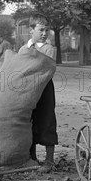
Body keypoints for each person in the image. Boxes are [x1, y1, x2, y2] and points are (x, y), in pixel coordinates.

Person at [18, 13, 58, 172]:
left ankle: (49, 160)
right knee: (29, 121)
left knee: (47, 120)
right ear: (31, 30)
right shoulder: (23, 49)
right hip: (27, 91)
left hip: (44, 89)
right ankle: (31, 158)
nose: (44, 33)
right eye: (41, 30)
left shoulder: (49, 49)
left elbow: (46, 69)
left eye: (46, 30)